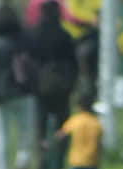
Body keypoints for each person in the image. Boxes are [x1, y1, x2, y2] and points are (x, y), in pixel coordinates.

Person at [0, 5, 37, 169]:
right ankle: (22, 161)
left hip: (0, 96)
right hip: (23, 92)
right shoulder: (23, 43)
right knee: (25, 133)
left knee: (2, 136)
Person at [27, 0, 81, 155]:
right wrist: (71, 83)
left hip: (41, 86)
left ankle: (43, 161)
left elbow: (29, 60)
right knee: (62, 126)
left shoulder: (34, 35)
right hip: (62, 86)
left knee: (41, 126)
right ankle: (58, 164)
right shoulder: (65, 36)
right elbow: (74, 63)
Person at [60, 100, 104, 169]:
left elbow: (62, 133)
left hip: (77, 159)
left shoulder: (75, 120)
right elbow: (100, 144)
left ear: (79, 107)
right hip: (91, 159)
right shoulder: (96, 123)